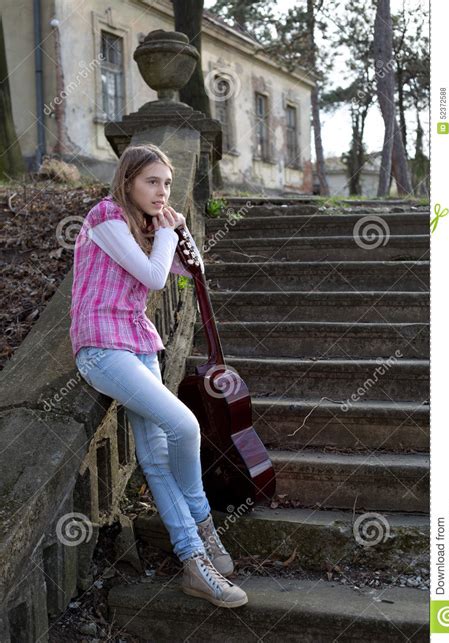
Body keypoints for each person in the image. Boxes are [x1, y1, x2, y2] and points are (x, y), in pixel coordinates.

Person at [69, 143, 248, 609]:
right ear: (127, 180)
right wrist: (168, 236)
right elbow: (153, 278)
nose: (162, 191)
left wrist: (180, 230)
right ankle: (204, 523)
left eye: (167, 184)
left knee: (157, 457)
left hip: (140, 343)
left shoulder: (152, 226)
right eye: (152, 181)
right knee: (184, 425)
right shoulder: (105, 216)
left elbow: (195, 271)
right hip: (103, 349)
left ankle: (194, 563)